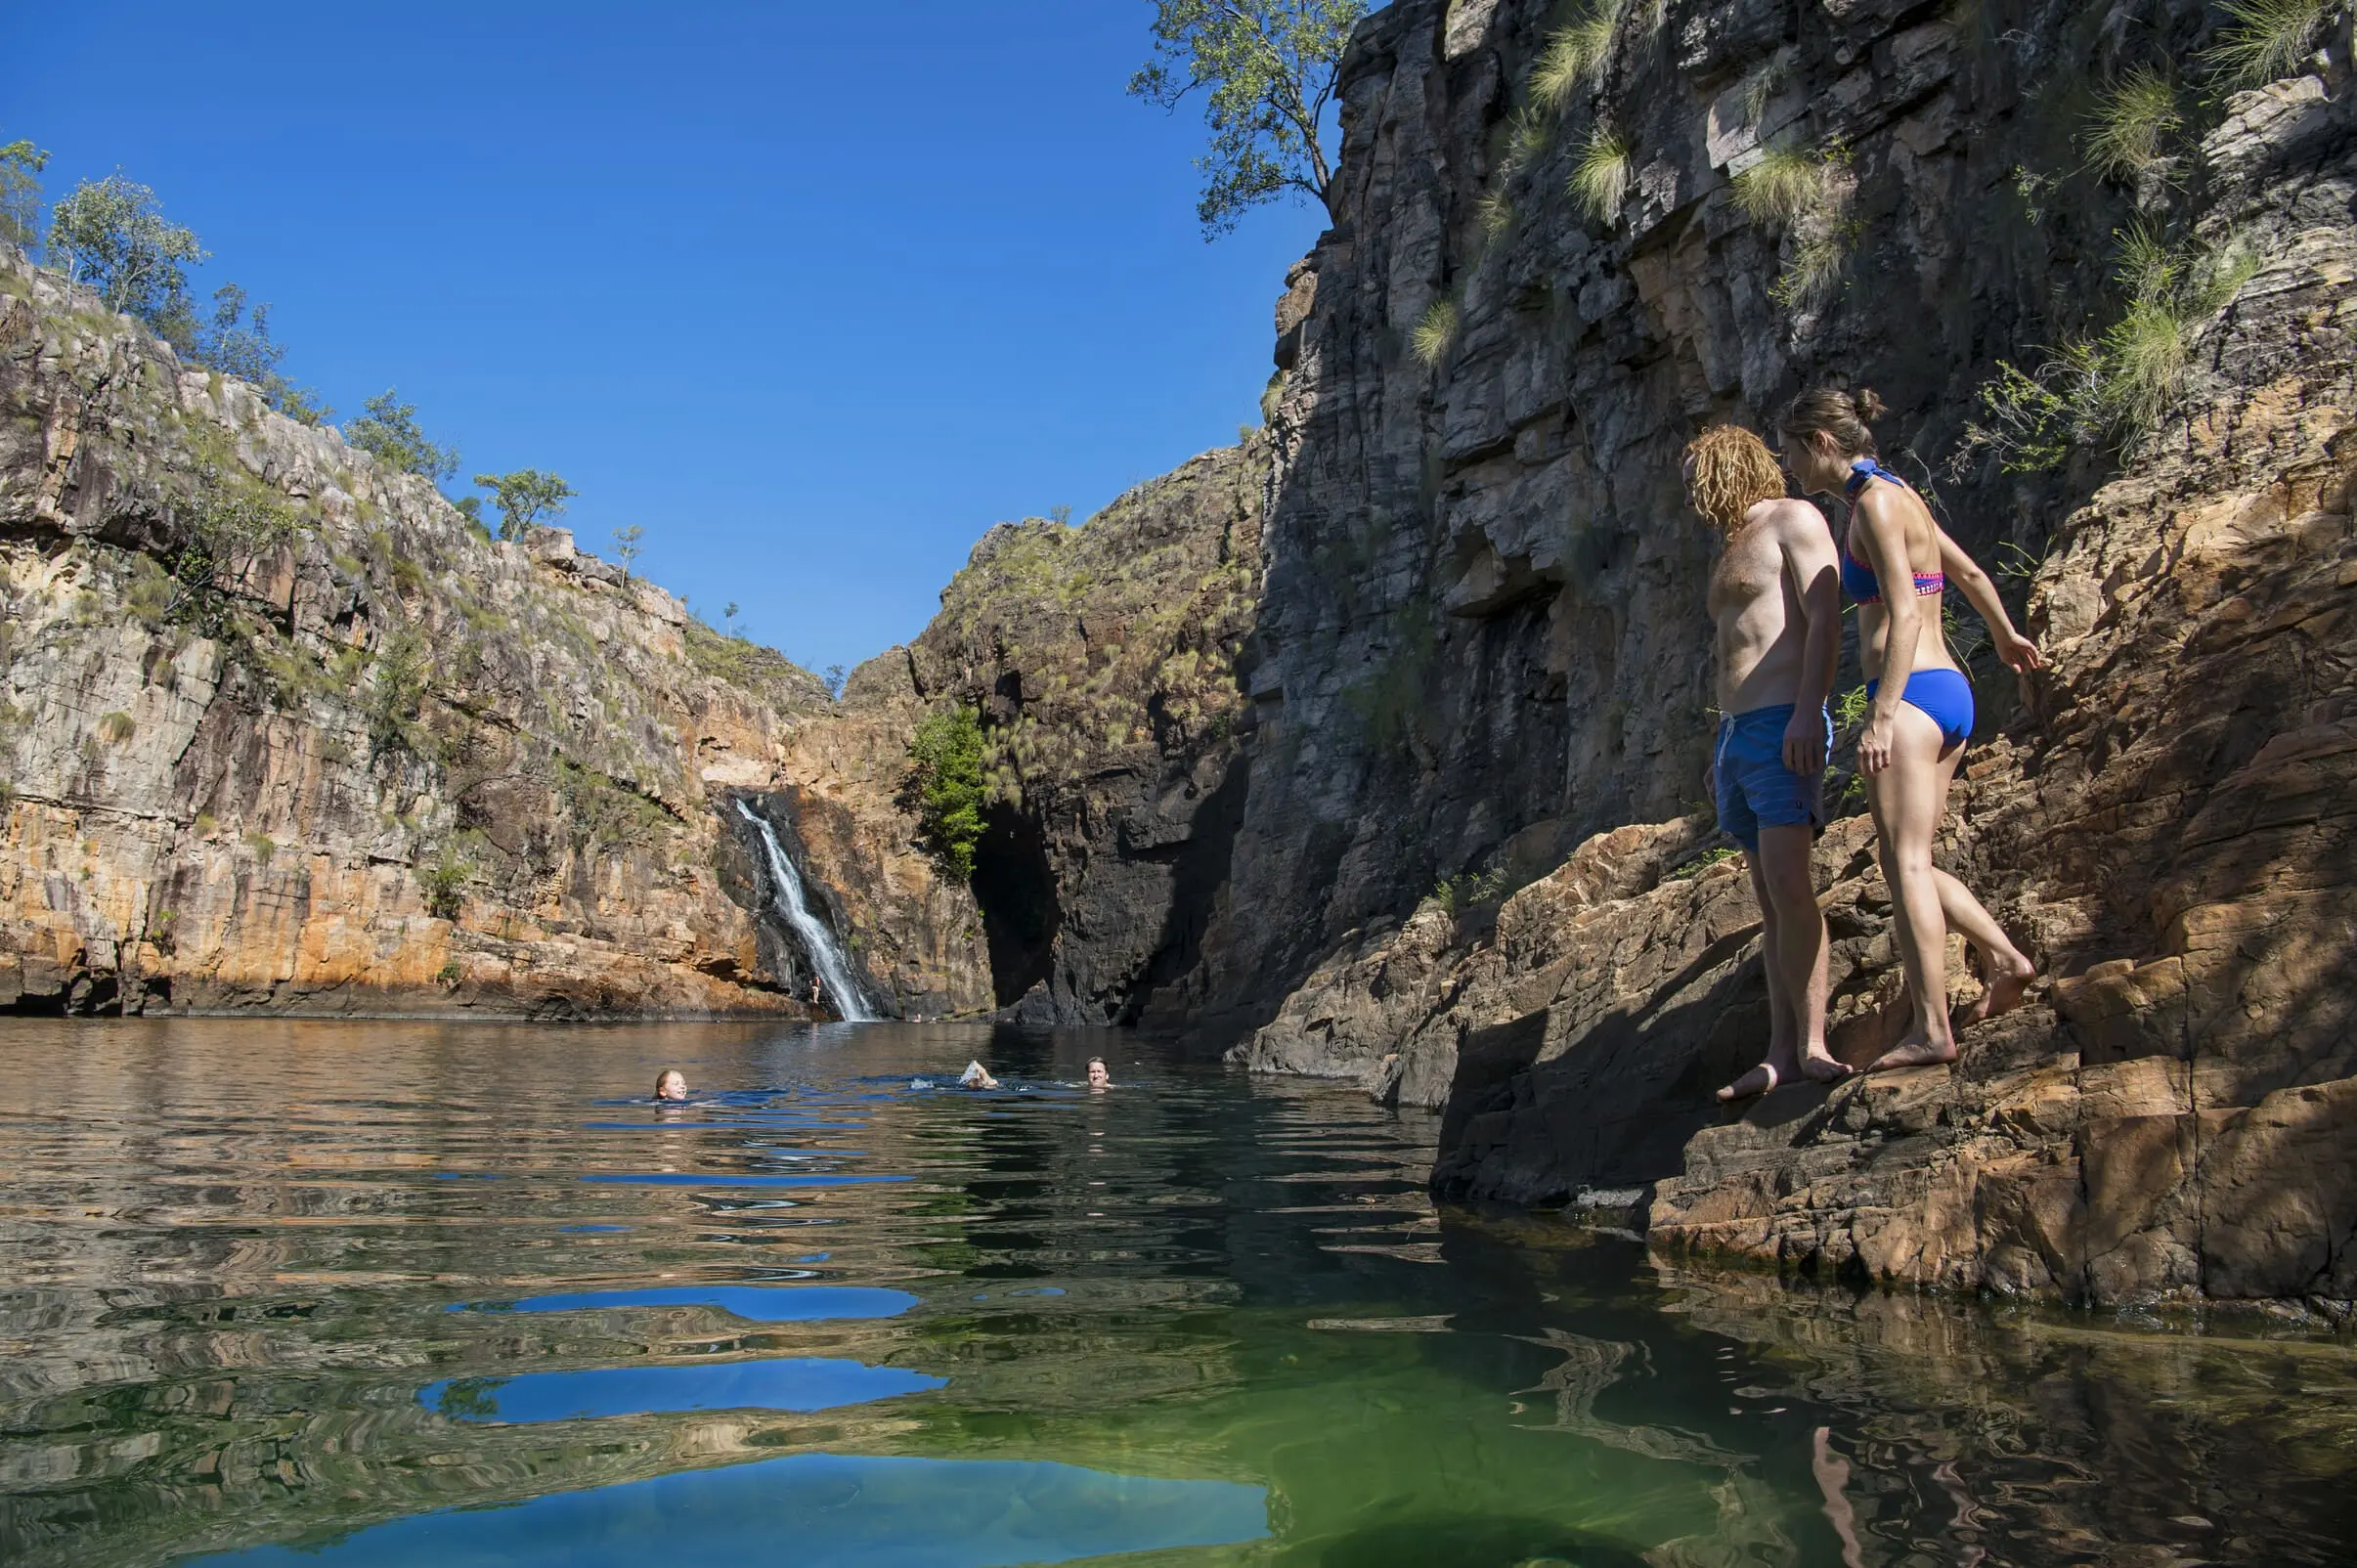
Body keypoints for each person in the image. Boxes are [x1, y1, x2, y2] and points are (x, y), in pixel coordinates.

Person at [1776, 387, 2042, 1069]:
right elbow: (1968, 570)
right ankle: (2006, 957)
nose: (1789, 465)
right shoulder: (1901, 494)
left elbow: (1904, 610)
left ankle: (1931, 1031)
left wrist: (1881, 715)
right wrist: (2004, 634)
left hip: (1912, 698)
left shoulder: (1873, 506)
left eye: (1791, 450)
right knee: (1911, 861)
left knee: (1906, 866)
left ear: (1821, 444)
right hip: (1947, 692)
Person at [1684, 425, 1849, 1101]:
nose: (1689, 491)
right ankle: (1779, 1051)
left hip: (1785, 721)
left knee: (1789, 887)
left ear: (1724, 465)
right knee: (1767, 900)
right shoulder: (1727, 549)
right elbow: (1731, 646)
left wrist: (1809, 710)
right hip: (1735, 736)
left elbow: (1825, 614)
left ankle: (1812, 1043)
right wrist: (1719, 741)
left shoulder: (1793, 519)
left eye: (1692, 473)